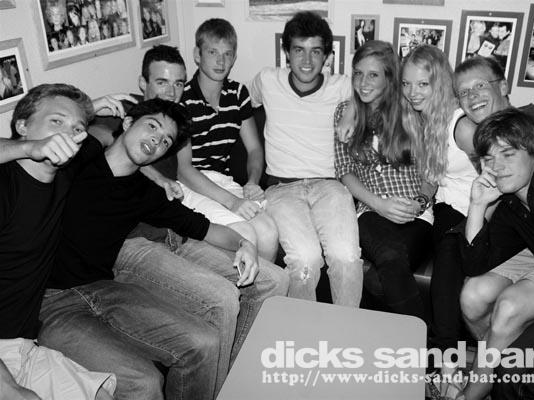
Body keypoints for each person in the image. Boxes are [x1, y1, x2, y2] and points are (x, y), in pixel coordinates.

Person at [39, 98, 276, 400]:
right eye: (152, 126)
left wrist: (245, 243)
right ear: (127, 123)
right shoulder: (79, 160)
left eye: (165, 141)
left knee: (205, 343)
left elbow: (201, 226)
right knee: (146, 382)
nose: (157, 140)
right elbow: (66, 135)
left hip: (104, 289)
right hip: (52, 301)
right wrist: (90, 112)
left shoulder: (145, 193)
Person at [88, 44, 289, 394]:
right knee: (224, 297)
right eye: (162, 82)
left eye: (179, 83)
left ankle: (236, 373)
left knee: (275, 279)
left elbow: (183, 175)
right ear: (142, 83)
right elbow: (95, 141)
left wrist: (242, 242)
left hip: (173, 227)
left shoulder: (175, 125)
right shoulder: (124, 120)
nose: (172, 91)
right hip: (133, 243)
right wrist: (92, 113)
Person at [0, 83, 117, 400]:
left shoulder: (67, 170)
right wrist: (9, 389)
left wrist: (93, 109)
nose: (68, 134)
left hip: (25, 346)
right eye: (56, 121)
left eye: (76, 129)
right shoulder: (5, 186)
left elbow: (105, 136)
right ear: (22, 126)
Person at [249, 11, 363, 306]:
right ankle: (301, 326)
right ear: (286, 52)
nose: (307, 60)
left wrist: (351, 110)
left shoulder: (341, 86)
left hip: (330, 185)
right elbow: (238, 105)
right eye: (299, 50)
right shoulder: (267, 80)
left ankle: (346, 327)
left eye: (316, 51)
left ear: (327, 56)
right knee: (305, 259)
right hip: (282, 188)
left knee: (346, 256)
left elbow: (373, 98)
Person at [146, 18, 279, 262]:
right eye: (212, 52)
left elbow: (254, 150)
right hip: (190, 185)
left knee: (269, 232)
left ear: (234, 58)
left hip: (223, 180)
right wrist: (232, 202)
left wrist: (252, 182)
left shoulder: (238, 93)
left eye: (227, 54)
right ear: (197, 55)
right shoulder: (181, 98)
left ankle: (265, 287)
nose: (221, 61)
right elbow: (184, 170)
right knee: (246, 234)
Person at [455, 108, 534, 400]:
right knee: (472, 296)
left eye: (508, 154)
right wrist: (477, 205)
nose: (497, 166)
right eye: (488, 158)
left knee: (508, 308)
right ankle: (494, 356)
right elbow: (474, 264)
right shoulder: (510, 200)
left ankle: (477, 386)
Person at [334, 41, 431, 320]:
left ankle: (395, 338)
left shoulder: (411, 110)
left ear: (389, 77)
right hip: (369, 209)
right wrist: (380, 205)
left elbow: (432, 173)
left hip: (415, 212)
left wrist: (420, 202)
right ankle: (423, 341)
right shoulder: (344, 112)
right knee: (390, 257)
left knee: (380, 279)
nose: (362, 83)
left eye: (373, 75)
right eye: (358, 73)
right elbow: (344, 171)